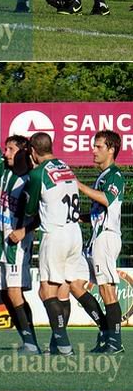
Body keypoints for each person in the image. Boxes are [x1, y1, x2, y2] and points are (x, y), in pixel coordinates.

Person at [9, 132, 108, 356]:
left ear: (33, 151)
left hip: (55, 233)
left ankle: (63, 344)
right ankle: (57, 343)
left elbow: (32, 209)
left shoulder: (37, 174)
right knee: (64, 289)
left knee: (46, 292)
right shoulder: (64, 166)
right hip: (74, 232)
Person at [0, 104, 41, 353]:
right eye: (6, 149)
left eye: (10, 149)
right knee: (5, 294)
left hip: (18, 244)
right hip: (1, 243)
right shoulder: (5, 172)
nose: (5, 153)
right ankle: (28, 341)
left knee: (15, 294)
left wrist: (23, 231)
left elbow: (41, 215)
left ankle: (31, 343)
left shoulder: (31, 179)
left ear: (23, 152)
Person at [77, 131, 124, 354]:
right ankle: (106, 330)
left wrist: (79, 185)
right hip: (95, 239)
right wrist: (79, 217)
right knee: (73, 283)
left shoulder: (114, 174)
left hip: (106, 237)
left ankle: (114, 342)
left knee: (107, 289)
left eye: (98, 146)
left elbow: (107, 199)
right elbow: (100, 210)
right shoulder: (103, 174)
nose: (93, 150)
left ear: (111, 149)